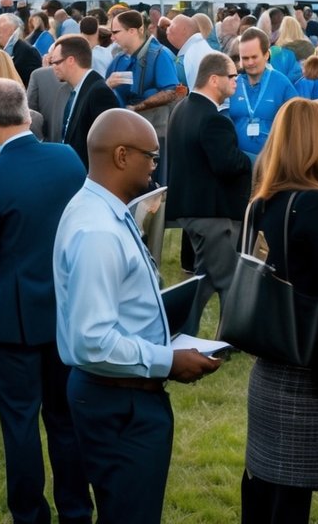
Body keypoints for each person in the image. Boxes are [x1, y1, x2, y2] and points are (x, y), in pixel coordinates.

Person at [53, 108, 221, 524]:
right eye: (152, 156)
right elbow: (92, 339)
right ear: (122, 156)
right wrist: (170, 360)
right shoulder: (98, 231)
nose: (155, 167)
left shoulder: (105, 210)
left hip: (121, 394)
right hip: (119, 400)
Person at [0, 80, 92, 524]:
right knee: (65, 420)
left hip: (15, 319)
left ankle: (30, 515)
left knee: (20, 424)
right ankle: (76, 510)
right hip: (65, 310)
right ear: (25, 113)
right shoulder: (67, 158)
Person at [240, 99, 318, 524]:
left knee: (262, 482)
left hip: (268, 358)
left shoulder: (260, 202)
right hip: (306, 363)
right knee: (290, 495)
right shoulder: (317, 205)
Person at [166, 53, 252, 335]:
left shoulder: (182, 109)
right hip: (213, 213)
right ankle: (228, 338)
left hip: (192, 210)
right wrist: (251, 160)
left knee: (206, 278)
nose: (236, 80)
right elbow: (227, 165)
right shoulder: (214, 119)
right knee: (227, 279)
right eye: (232, 76)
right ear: (214, 80)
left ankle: (181, 330)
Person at [228, 27, 297, 160]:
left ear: (266, 55)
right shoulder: (233, 84)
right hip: (239, 165)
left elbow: (296, 123)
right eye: (245, 58)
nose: (250, 63)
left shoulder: (281, 83)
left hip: (271, 164)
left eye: (254, 57)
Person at [50, 35, 118, 169]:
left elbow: (108, 144)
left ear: (70, 60)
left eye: (56, 62)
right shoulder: (82, 88)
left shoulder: (99, 92)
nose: (53, 67)